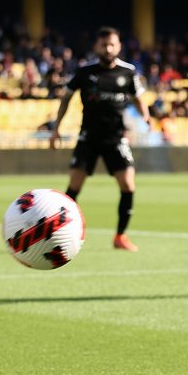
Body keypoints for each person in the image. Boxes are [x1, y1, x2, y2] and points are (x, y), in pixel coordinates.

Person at [49, 26, 150, 251]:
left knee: (128, 185)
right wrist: (56, 129)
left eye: (112, 44)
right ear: (97, 47)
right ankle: (56, 233)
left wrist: (146, 115)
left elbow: (138, 97)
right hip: (89, 137)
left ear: (119, 46)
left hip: (116, 139)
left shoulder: (128, 72)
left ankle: (120, 236)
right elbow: (66, 98)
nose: (108, 49)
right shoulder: (85, 72)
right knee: (74, 188)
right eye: (104, 45)